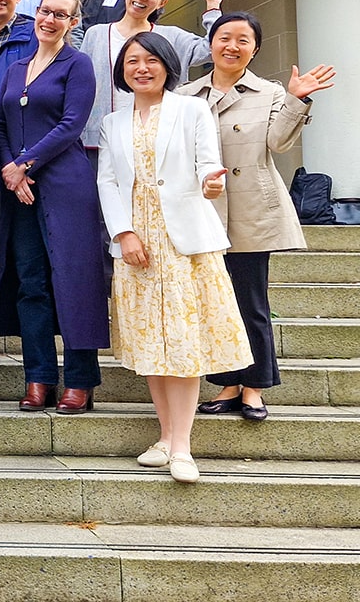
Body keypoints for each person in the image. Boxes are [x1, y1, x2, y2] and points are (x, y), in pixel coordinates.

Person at [97, 31, 251, 483]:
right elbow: (108, 181)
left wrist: (212, 182)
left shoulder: (191, 108)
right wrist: (123, 232)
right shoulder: (112, 122)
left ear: (167, 64)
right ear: (121, 71)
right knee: (151, 344)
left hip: (184, 244)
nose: (141, 68)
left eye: (150, 60)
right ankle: (165, 437)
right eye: (131, 62)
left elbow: (208, 161)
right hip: (136, 245)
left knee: (182, 344)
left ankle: (182, 446)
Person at [180, 12, 336, 421]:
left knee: (250, 302)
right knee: (214, 303)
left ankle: (252, 388)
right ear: (210, 43)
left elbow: (279, 143)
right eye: (224, 37)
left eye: (243, 40)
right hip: (202, 212)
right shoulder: (185, 94)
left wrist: (297, 99)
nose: (232, 46)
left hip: (250, 211)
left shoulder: (268, 92)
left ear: (255, 48)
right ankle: (227, 384)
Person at [0, 0, 109, 414]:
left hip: (64, 185)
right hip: (18, 191)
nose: (50, 19)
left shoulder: (78, 64)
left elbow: (73, 123)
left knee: (73, 280)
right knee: (31, 283)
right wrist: (10, 168)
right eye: (45, 11)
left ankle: (79, 380)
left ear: (73, 22)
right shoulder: (15, 67)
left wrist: (24, 165)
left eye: (61, 14)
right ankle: (38, 377)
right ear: (34, 14)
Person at [78, 0, 224, 154]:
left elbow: (212, 50)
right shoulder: (96, 34)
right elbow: (80, 84)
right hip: (100, 140)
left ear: (162, 3)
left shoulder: (171, 36)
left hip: (158, 140)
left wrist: (212, 9)